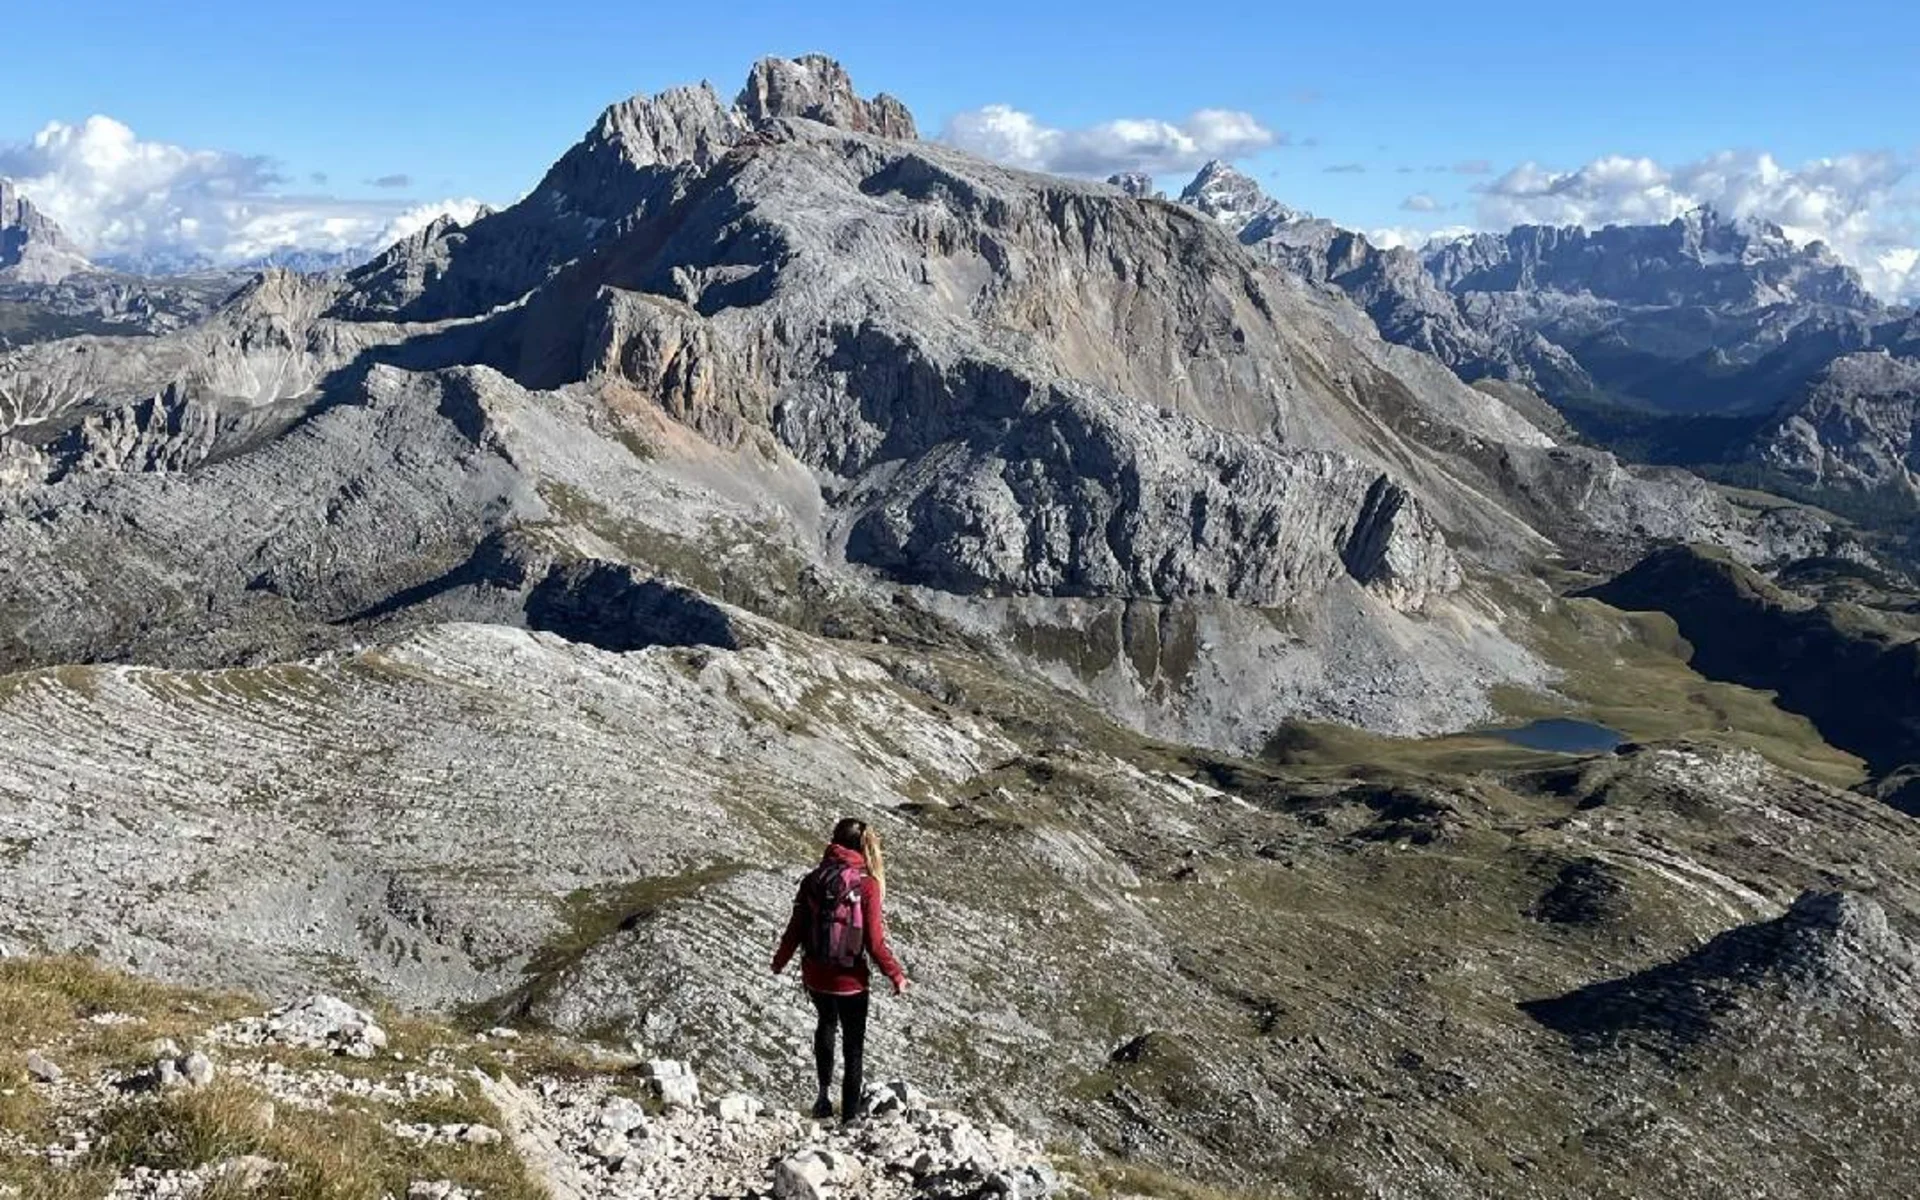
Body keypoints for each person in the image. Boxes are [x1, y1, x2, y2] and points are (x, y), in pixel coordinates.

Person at [772, 816, 908, 1121]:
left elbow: (795, 928)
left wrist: (780, 961)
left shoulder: (814, 878)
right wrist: (895, 975)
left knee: (825, 1024)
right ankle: (848, 1118)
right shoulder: (867, 884)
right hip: (851, 979)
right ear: (864, 845)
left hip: (816, 974)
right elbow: (873, 942)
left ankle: (822, 1097)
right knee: (853, 1046)